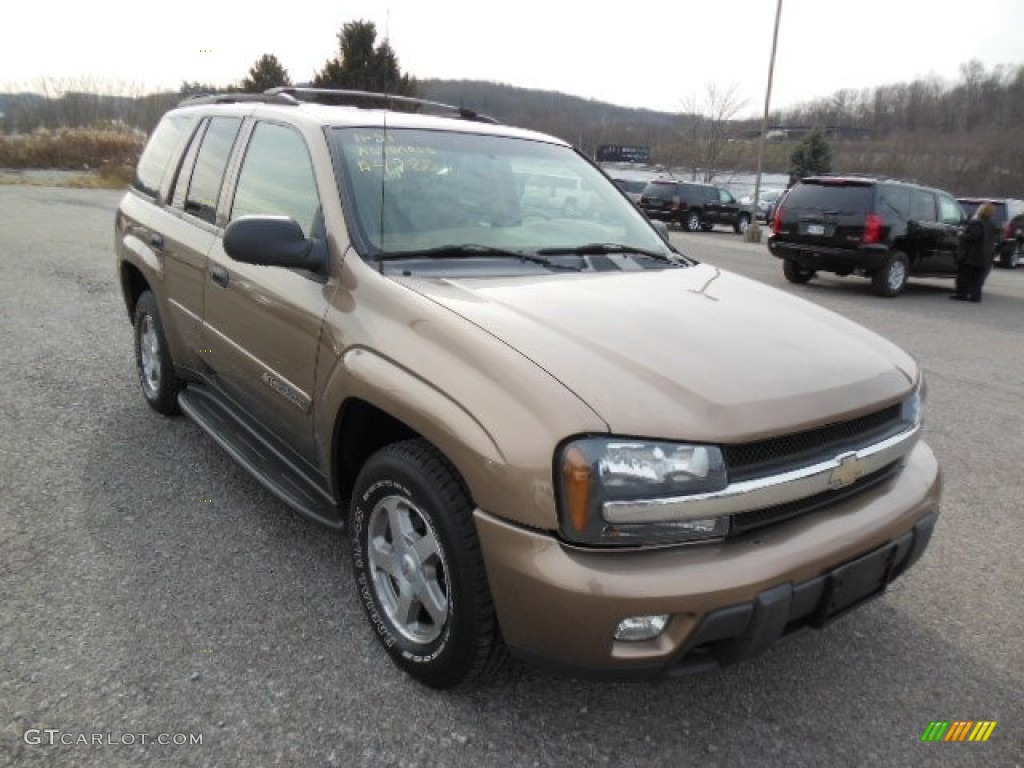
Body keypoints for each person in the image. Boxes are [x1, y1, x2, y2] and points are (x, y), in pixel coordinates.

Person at [952, 202, 998, 302]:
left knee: (965, 276)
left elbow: (972, 237)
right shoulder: (992, 225)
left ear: (982, 211)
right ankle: (975, 296)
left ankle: (962, 294)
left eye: (980, 208)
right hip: (986, 255)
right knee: (978, 279)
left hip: (973, 255)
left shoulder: (977, 223)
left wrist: (961, 235)